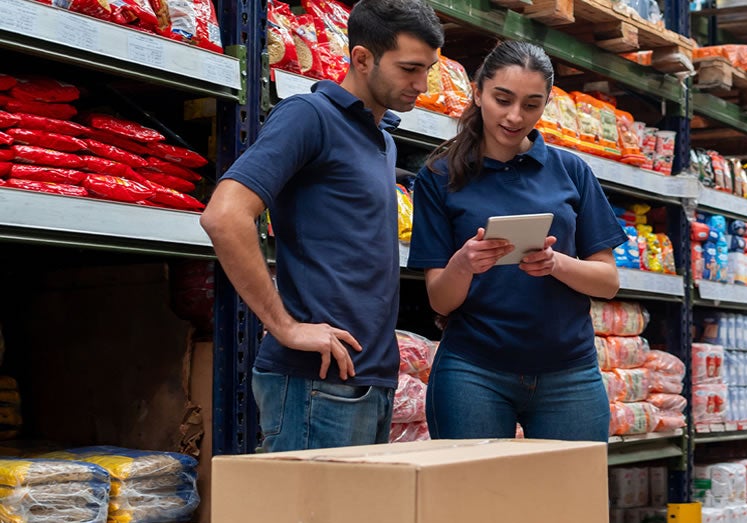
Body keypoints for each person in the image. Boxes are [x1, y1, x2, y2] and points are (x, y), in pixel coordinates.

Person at [200, 0, 443, 452]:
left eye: (427, 69)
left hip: (368, 380)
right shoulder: (309, 116)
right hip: (315, 385)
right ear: (362, 58)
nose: (422, 85)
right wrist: (287, 327)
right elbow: (225, 215)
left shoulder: (383, 142)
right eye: (410, 69)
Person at [408, 41, 628, 442]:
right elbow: (440, 300)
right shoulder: (439, 176)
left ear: (545, 105)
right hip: (473, 371)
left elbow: (608, 281)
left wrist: (555, 263)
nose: (514, 116)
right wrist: (464, 263)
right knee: (472, 500)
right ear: (477, 92)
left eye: (531, 104)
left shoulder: (572, 171)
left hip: (569, 372)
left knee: (571, 501)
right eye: (502, 99)